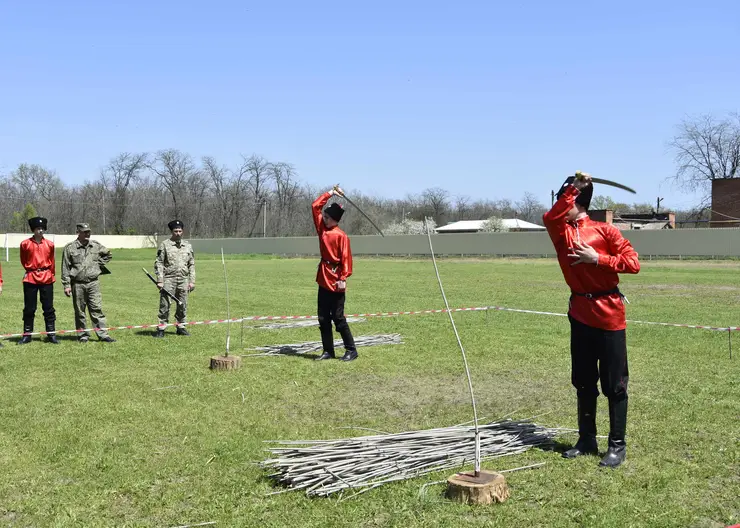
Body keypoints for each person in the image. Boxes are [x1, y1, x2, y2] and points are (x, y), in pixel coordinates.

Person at [542, 171, 641, 468]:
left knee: (615, 384)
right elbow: (551, 215)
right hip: (579, 314)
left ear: (579, 202)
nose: (561, 203)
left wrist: (597, 259)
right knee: (584, 381)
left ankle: (617, 446)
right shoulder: (561, 230)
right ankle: (586, 440)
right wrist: (573, 187)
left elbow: (633, 264)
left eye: (567, 199)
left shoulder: (605, 231)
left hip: (609, 315)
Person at [312, 186, 358, 362]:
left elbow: (346, 258)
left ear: (335, 220)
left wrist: (343, 278)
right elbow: (315, 206)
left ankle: (351, 350)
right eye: (324, 216)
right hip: (323, 277)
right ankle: (328, 351)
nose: (324, 218)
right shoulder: (322, 229)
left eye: (327, 217)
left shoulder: (341, 236)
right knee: (323, 318)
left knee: (338, 318)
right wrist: (331, 193)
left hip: (336, 278)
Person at [61, 223, 115, 343]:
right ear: (78, 232)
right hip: (78, 284)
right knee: (80, 310)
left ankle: (103, 334)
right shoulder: (70, 248)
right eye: (84, 232)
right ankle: (83, 335)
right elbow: (65, 268)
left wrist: (97, 265)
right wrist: (66, 285)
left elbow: (108, 254)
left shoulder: (95, 245)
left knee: (97, 308)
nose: (87, 234)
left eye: (89, 231)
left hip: (93, 283)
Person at [18, 216, 58, 345]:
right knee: (29, 308)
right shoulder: (25, 244)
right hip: (31, 278)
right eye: (37, 228)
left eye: (42, 228)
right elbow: (24, 260)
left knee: (48, 307)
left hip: (46, 277)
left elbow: (52, 261)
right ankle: (27, 334)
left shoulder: (50, 244)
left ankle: (51, 334)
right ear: (33, 230)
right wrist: (32, 269)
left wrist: (51, 274)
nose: (40, 231)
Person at [153, 220, 195, 338]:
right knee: (165, 304)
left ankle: (181, 327)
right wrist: (160, 280)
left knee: (183, 304)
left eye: (180, 231)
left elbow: (191, 264)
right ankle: (161, 328)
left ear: (183, 231)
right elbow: (159, 263)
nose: (178, 233)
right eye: (175, 231)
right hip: (169, 279)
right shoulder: (165, 245)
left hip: (183, 279)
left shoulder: (187, 246)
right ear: (172, 232)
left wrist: (192, 281)